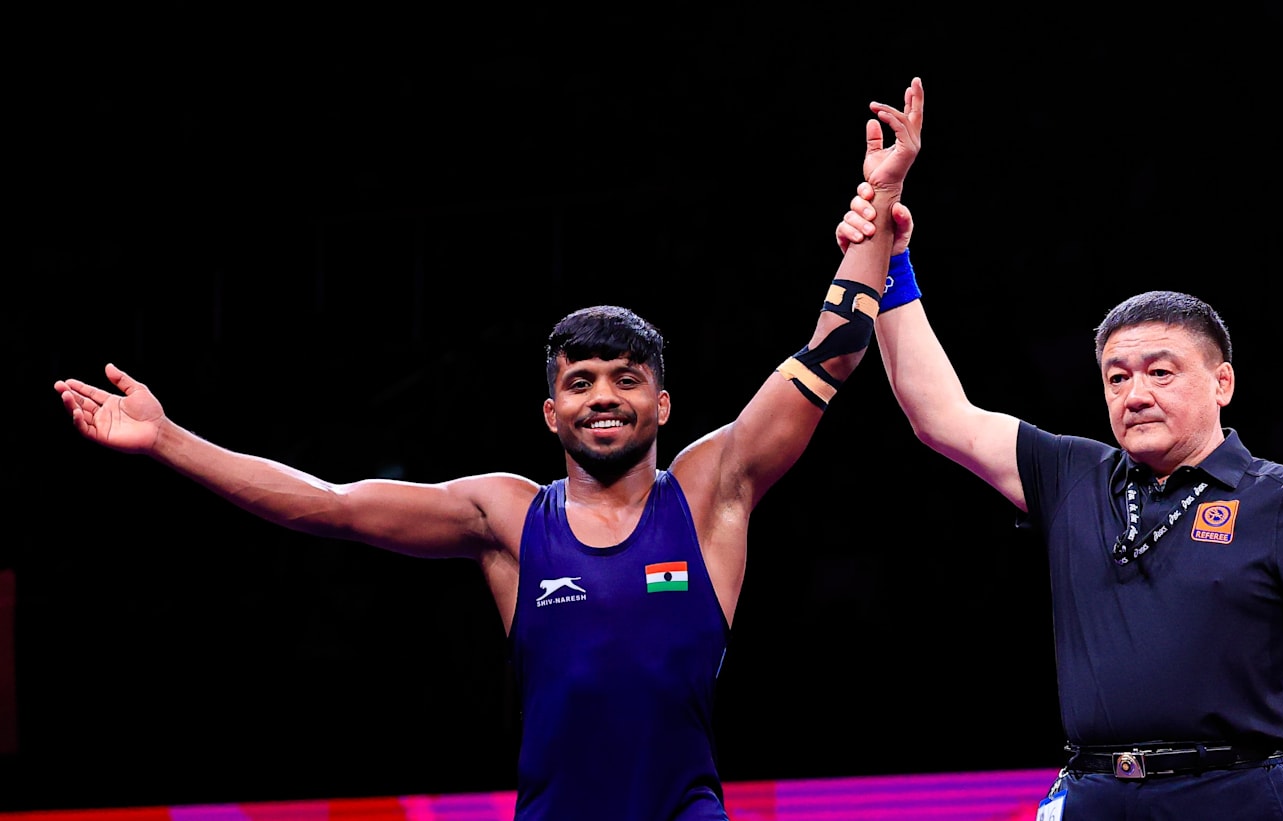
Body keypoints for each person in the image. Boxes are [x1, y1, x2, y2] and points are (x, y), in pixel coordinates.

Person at [51, 79, 923, 821]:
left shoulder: (708, 489)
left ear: (661, 403)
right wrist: (168, 440)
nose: (604, 397)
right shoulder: (507, 515)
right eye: (580, 382)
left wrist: (879, 210)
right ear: (550, 411)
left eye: (626, 379)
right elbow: (329, 503)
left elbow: (834, 351)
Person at [834, 177, 1283, 818]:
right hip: (1093, 795)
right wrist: (890, 261)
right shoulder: (1070, 474)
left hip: (1234, 794)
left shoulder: (1282, 500)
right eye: (1117, 378)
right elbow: (938, 414)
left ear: (1222, 383)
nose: (1135, 395)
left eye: (1161, 372)